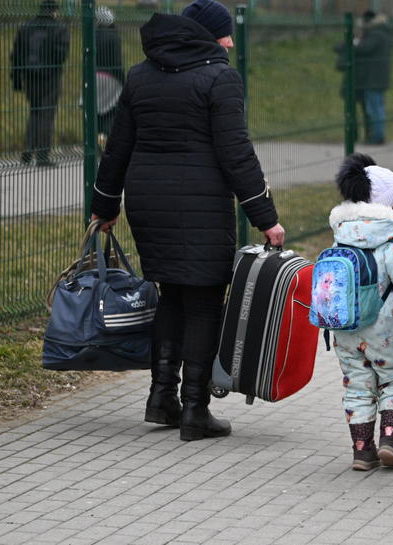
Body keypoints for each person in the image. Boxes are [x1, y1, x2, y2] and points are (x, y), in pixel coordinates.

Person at [90, 0, 285, 442]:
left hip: (148, 202)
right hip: (200, 204)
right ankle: (196, 409)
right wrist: (265, 217)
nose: (231, 41)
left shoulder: (141, 74)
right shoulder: (219, 77)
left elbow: (117, 146)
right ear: (204, 34)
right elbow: (235, 153)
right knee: (202, 301)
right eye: (225, 33)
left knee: (172, 295)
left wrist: (104, 204)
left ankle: (162, 398)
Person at [325, 154, 393, 470]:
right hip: (385, 328)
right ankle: (390, 439)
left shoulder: (340, 239)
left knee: (358, 383)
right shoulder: (390, 242)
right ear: (386, 207)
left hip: (344, 327)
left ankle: (362, 449)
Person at [10, 0, 69, 167]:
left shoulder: (27, 26)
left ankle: (28, 150)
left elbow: (17, 52)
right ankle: (43, 155)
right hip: (50, 77)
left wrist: (16, 78)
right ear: (54, 10)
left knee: (34, 112)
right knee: (46, 115)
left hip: (30, 76)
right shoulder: (59, 28)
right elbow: (61, 54)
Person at [354, 10, 391, 145]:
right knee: (377, 107)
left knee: (374, 108)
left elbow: (364, 48)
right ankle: (378, 135)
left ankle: (377, 137)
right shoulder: (383, 33)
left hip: (373, 78)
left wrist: (356, 41)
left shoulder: (376, 35)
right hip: (379, 77)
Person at [95, 6, 125, 143]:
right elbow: (117, 63)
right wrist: (123, 81)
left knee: (96, 111)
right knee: (110, 111)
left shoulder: (92, 35)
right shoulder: (114, 36)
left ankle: (96, 138)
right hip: (111, 78)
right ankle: (106, 139)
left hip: (94, 76)